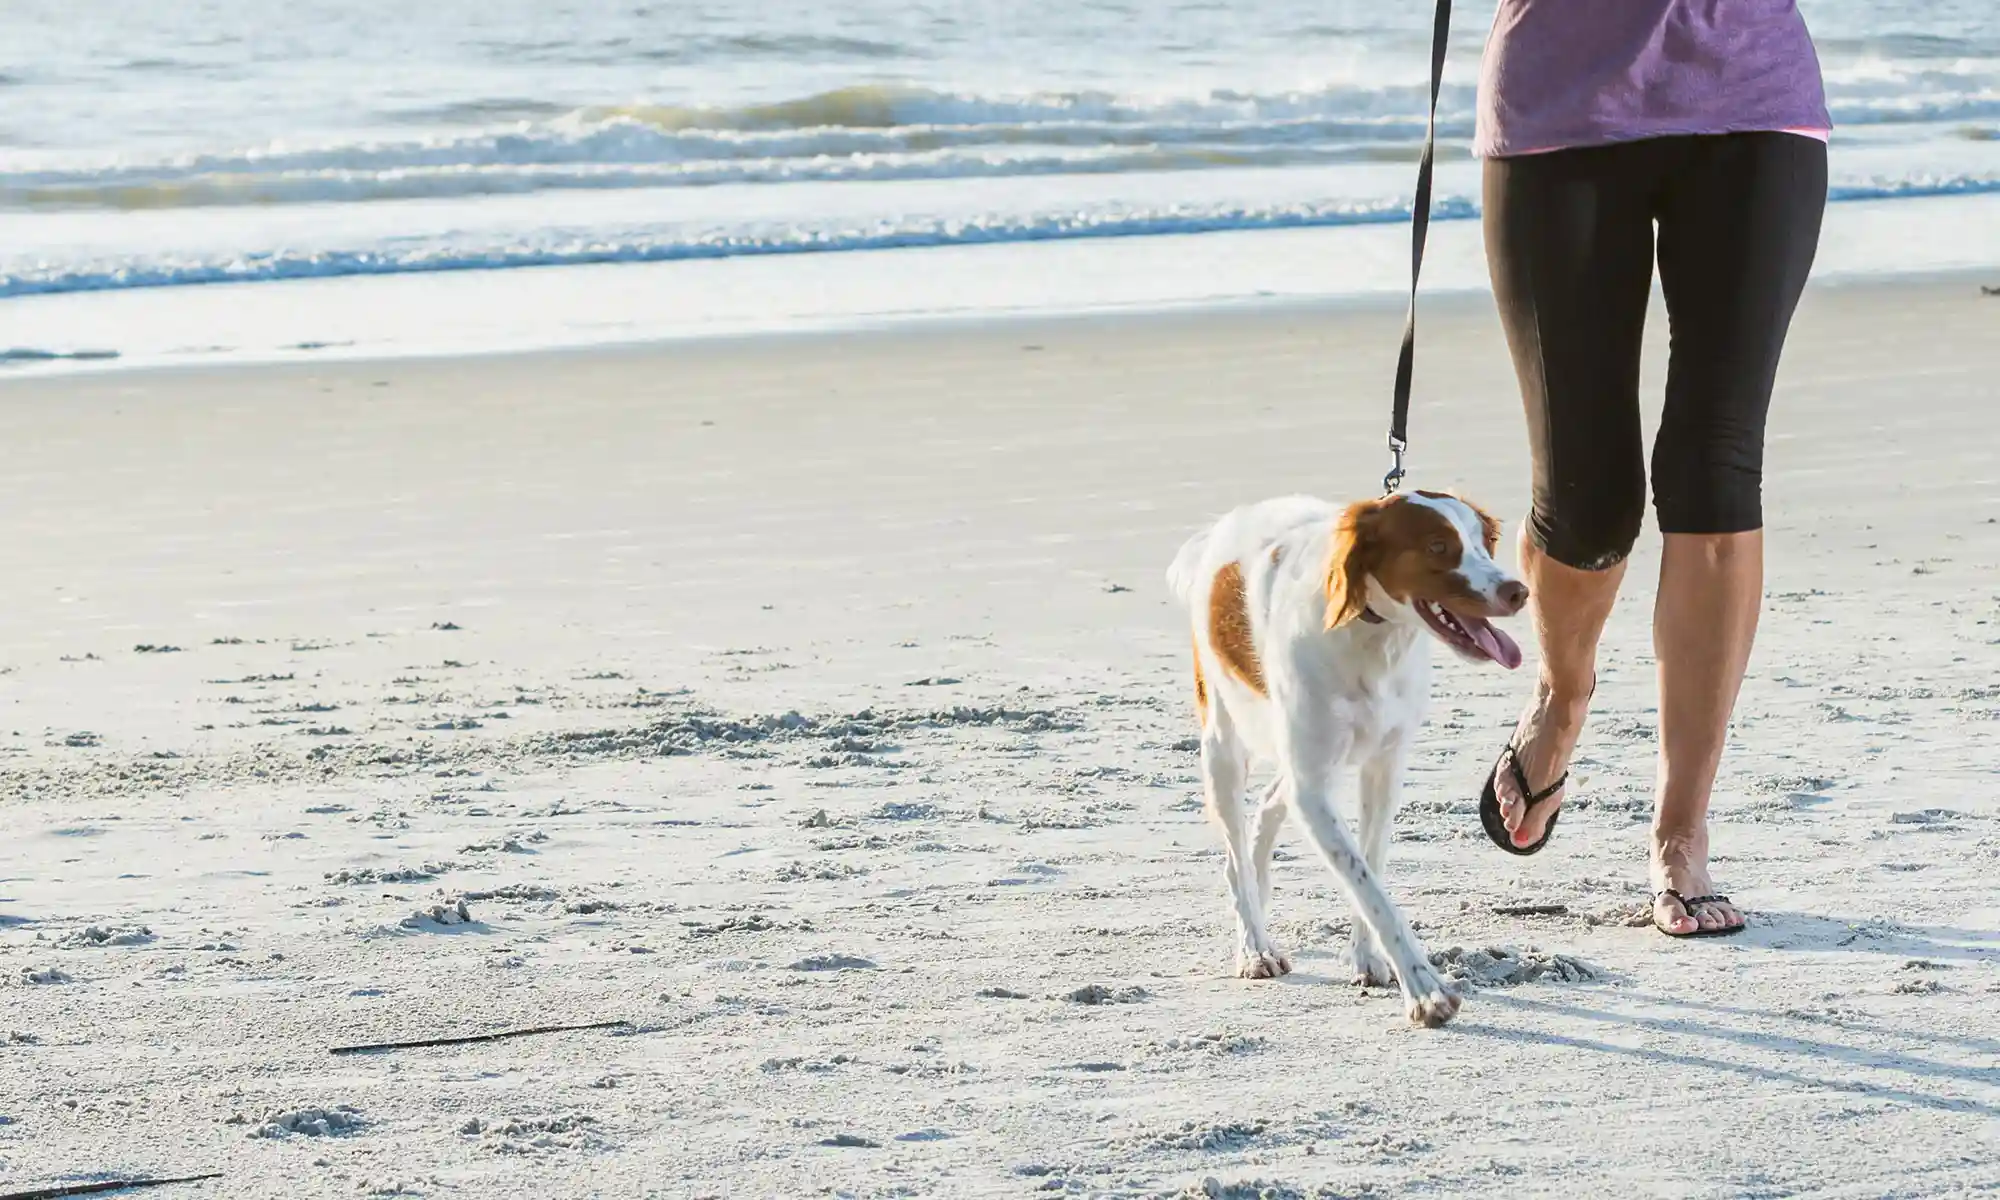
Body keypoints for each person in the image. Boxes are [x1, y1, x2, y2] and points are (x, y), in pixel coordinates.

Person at [1470, 2, 1831, 937]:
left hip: (1752, 97)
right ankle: (1561, 692)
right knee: (1588, 502)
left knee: (1714, 475)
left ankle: (1683, 833)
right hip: (1558, 103)